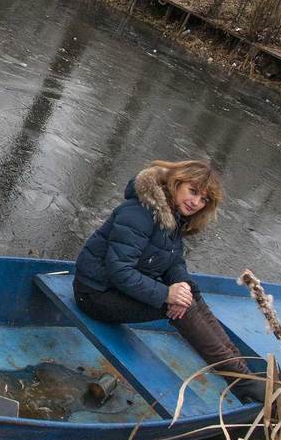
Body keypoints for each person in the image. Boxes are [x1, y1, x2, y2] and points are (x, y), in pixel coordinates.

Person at [73, 159, 263, 403]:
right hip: (94, 294)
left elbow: (173, 262)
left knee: (190, 293)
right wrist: (167, 295)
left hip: (116, 289)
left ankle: (242, 373)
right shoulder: (140, 212)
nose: (196, 202)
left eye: (203, 199)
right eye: (193, 191)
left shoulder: (171, 215)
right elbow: (119, 270)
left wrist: (181, 285)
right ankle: (243, 384)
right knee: (181, 308)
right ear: (176, 183)